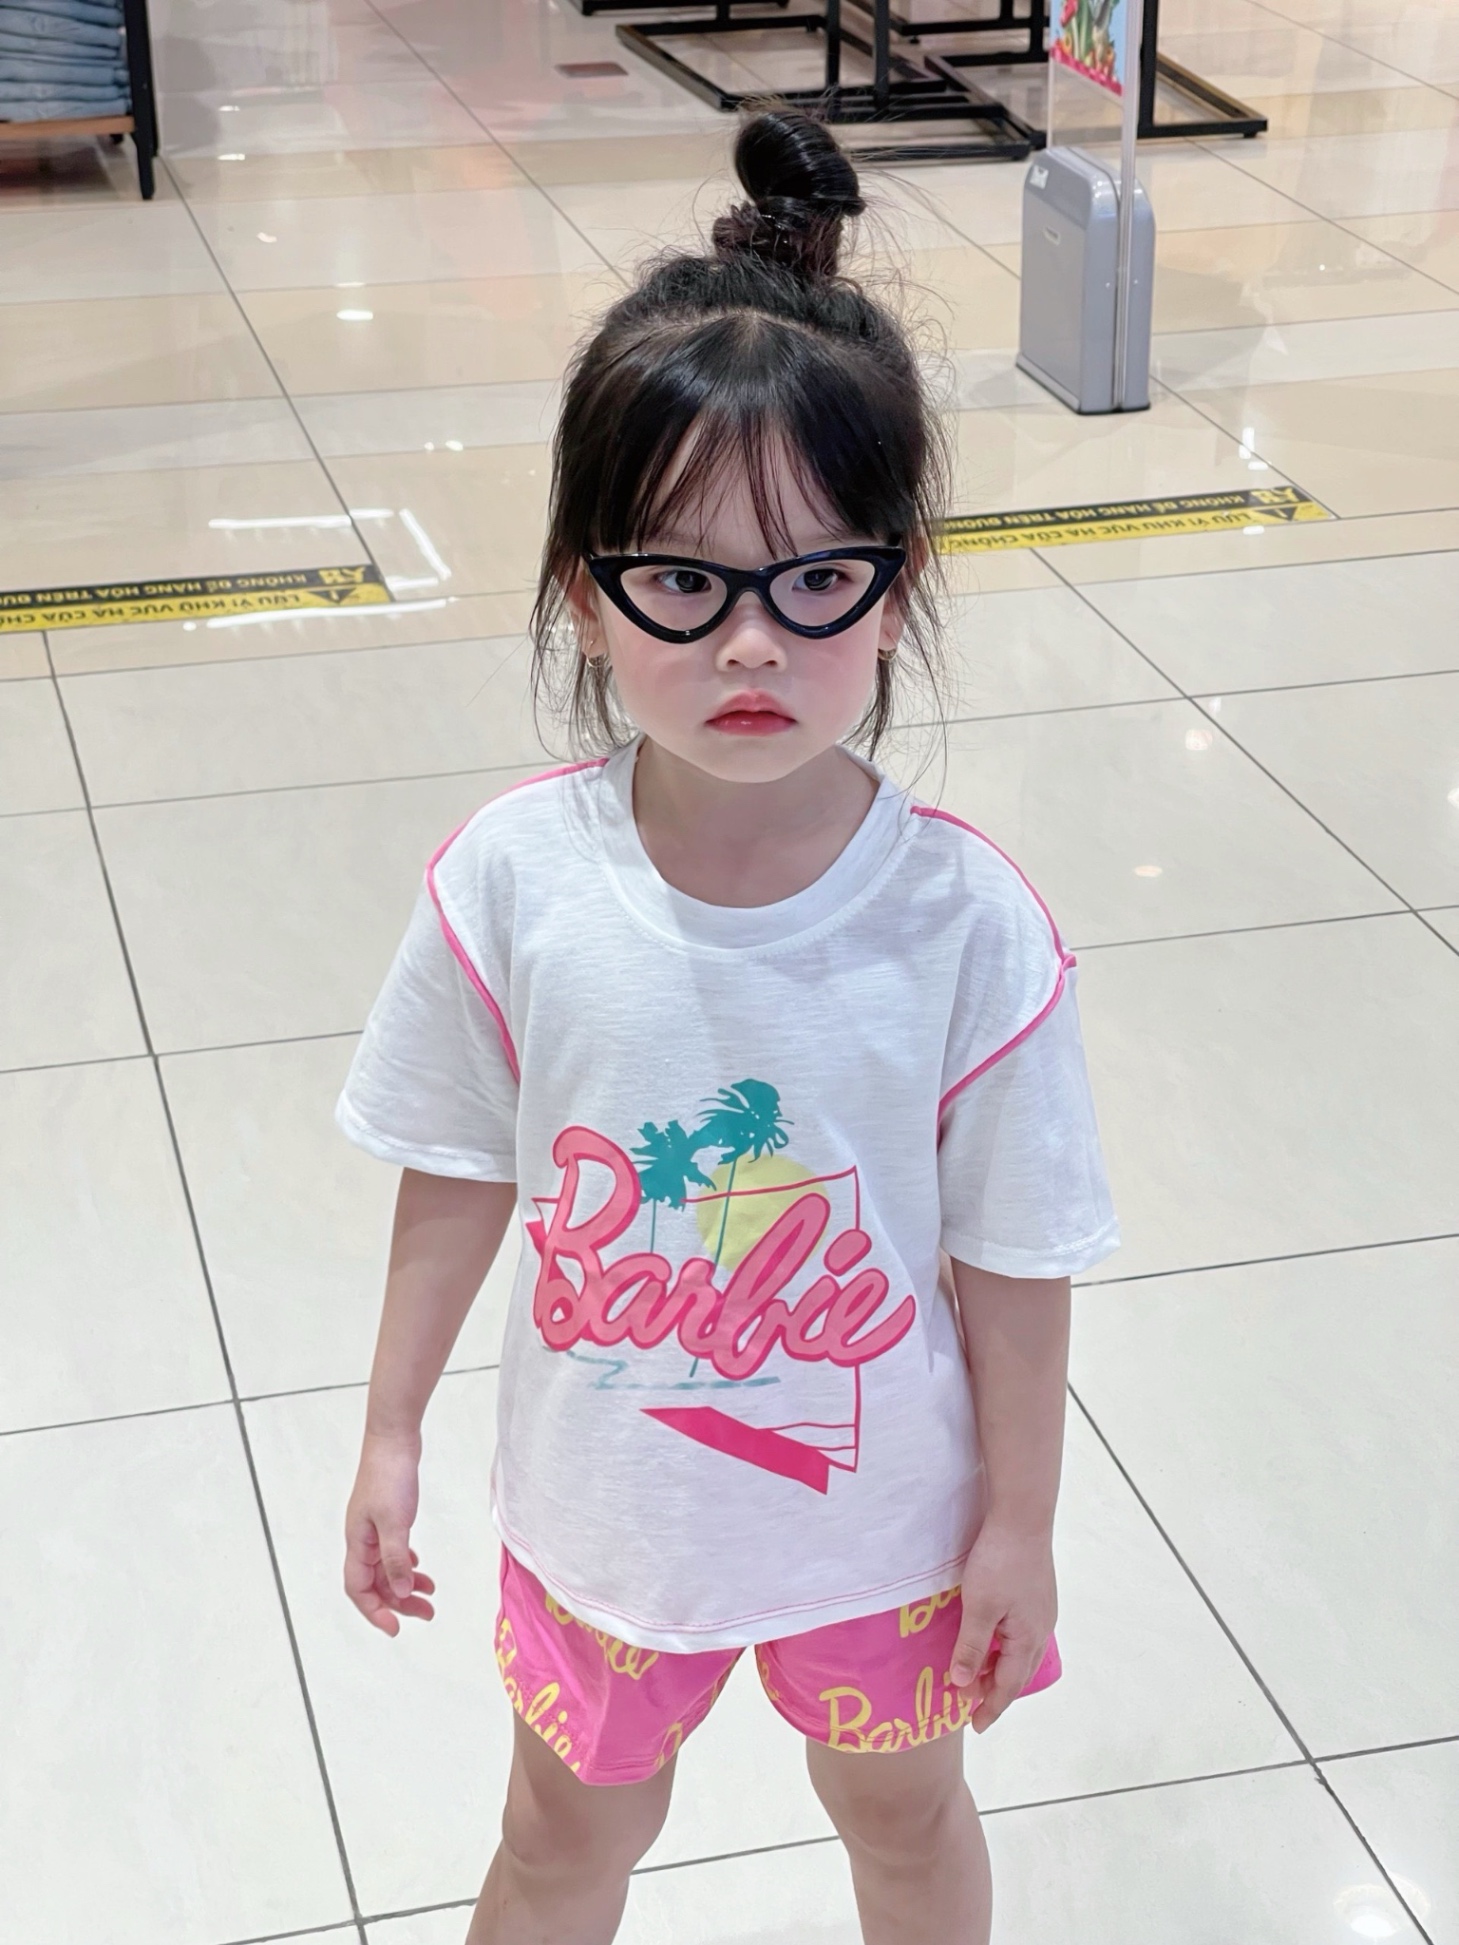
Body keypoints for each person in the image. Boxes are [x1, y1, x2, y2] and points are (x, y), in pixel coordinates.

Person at [337, 106, 1119, 1945]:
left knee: (905, 1817)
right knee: (559, 1840)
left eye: (815, 580)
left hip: (886, 1524)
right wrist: (388, 1428)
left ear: (896, 587)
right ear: (584, 588)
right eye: (683, 583)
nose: (751, 645)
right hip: (607, 1518)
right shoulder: (514, 882)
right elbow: (456, 1163)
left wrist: (1019, 1521)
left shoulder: (967, 926)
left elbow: (1016, 1256)